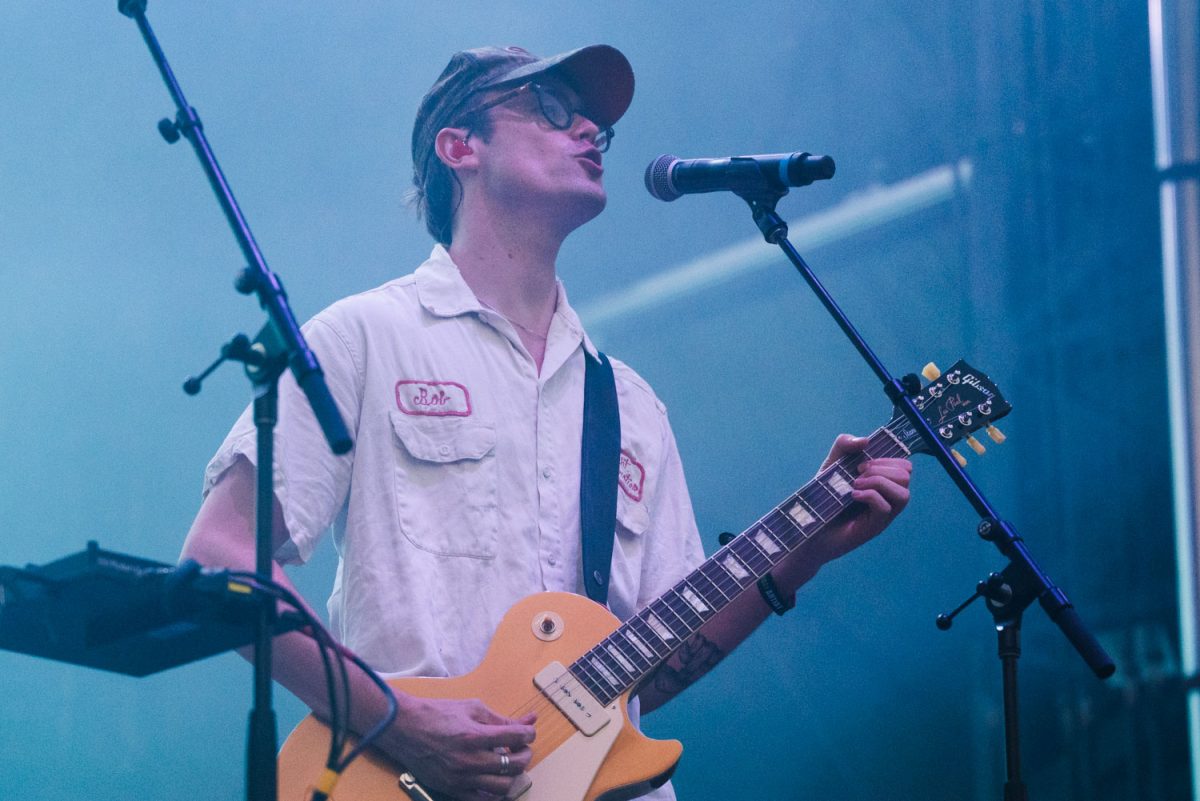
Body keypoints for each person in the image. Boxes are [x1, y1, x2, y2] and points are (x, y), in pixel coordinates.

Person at [181, 44, 912, 801]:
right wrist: (395, 720)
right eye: (555, 110)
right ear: (460, 147)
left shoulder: (630, 405)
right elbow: (220, 557)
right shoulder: (366, 336)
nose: (591, 131)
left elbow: (649, 672)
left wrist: (803, 552)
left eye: (597, 123)